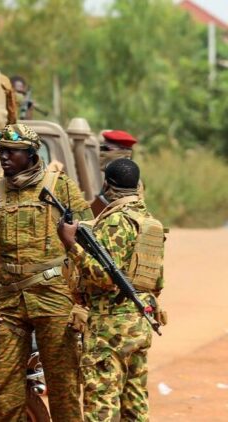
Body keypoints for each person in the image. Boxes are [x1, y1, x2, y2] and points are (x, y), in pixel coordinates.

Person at [0, 123, 88, 421]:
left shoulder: (61, 187)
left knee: (64, 386)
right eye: (1, 152)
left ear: (31, 154)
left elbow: (87, 245)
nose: (4, 158)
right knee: (5, 390)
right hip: (7, 302)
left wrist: (83, 303)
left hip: (55, 296)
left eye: (12, 152)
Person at [57, 158, 165, 421]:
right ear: (137, 185)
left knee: (102, 403)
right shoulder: (149, 221)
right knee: (135, 403)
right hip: (139, 321)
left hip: (110, 327)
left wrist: (71, 244)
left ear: (107, 184)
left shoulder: (115, 222)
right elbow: (157, 281)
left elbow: (102, 278)